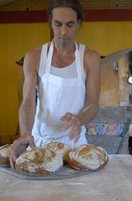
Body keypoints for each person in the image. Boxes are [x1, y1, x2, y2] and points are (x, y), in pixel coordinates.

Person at [10, 0, 101, 168]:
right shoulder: (34, 57)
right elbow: (28, 102)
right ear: (50, 22)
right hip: (40, 142)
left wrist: (80, 118)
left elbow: (93, 103)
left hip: (74, 143)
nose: (64, 31)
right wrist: (25, 133)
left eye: (70, 25)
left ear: (79, 23)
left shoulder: (90, 58)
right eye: (58, 24)